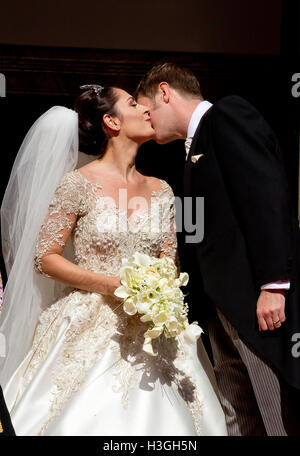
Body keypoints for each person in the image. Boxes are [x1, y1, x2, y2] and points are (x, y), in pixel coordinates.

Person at [0, 84, 227, 436]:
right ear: (111, 121)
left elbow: (171, 263)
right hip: (90, 321)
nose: (146, 110)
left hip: (155, 325)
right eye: (134, 104)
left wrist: (158, 294)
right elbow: (45, 258)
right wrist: (112, 285)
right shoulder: (76, 184)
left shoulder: (162, 188)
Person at [135, 63, 300, 436]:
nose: (148, 122)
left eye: (148, 110)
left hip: (252, 300)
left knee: (272, 408)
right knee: (238, 408)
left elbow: (265, 196)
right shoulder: (192, 148)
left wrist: (273, 284)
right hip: (219, 304)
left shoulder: (227, 114)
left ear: (165, 92)